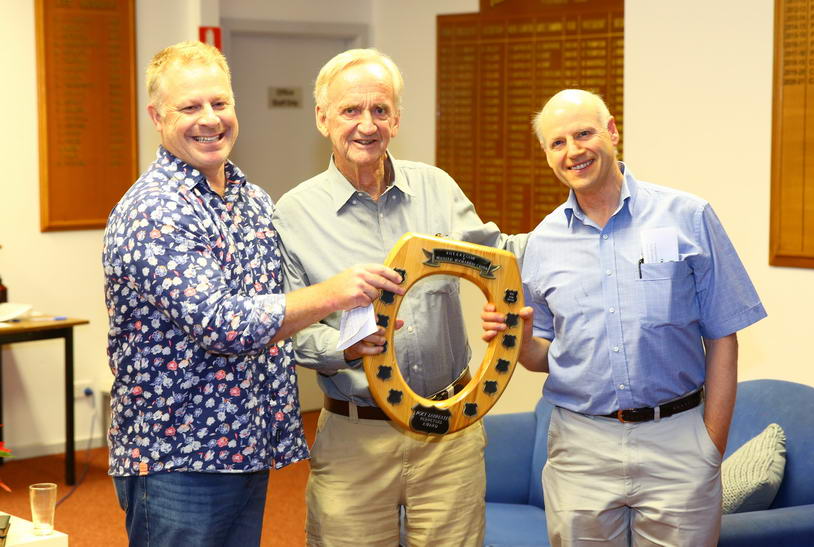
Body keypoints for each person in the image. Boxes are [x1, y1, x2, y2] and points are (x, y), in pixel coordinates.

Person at [102, 41, 403, 547]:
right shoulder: (153, 211)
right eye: (189, 107)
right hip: (178, 458)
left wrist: (346, 338)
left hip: (247, 447)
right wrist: (334, 294)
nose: (209, 119)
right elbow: (224, 324)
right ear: (156, 117)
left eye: (219, 102)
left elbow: (277, 309)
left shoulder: (252, 200)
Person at [482, 89, 767, 546]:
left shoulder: (688, 216)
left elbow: (722, 336)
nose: (573, 151)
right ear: (547, 155)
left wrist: (710, 445)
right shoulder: (541, 243)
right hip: (580, 449)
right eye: (558, 143)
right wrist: (517, 339)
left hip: (678, 442)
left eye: (583, 134)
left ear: (612, 132)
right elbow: (542, 358)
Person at [272, 48, 527, 546]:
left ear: (396, 119)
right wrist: (345, 346)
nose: (367, 125)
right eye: (350, 110)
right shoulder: (294, 213)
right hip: (355, 440)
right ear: (322, 118)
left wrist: (581, 236)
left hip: (449, 433)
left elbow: (499, 257)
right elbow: (286, 327)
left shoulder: (436, 187)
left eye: (380, 110)